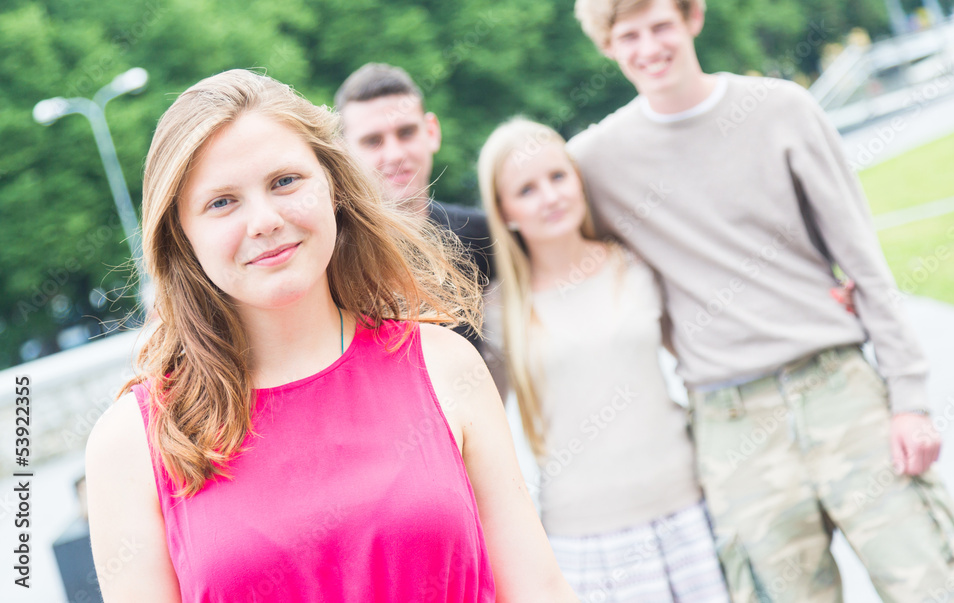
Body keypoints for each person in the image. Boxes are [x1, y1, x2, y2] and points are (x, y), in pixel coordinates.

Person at [566, 0, 954, 603]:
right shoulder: (595, 162)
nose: (649, 47)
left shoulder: (780, 111)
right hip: (731, 420)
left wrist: (910, 399)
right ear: (606, 46)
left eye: (660, 26)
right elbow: (532, 243)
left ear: (692, 16)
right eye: (628, 36)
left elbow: (863, 260)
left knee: (930, 582)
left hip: (838, 388)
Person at [84, 69, 576, 602]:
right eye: (222, 202)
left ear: (334, 188)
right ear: (181, 237)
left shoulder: (446, 365)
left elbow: (538, 589)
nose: (265, 220)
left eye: (284, 182)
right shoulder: (132, 444)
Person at [478, 117, 731, 603]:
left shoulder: (635, 264)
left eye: (557, 177)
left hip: (689, 508)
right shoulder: (500, 309)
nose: (550, 197)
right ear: (505, 210)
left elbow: (707, 349)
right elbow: (487, 436)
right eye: (527, 189)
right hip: (584, 537)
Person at [335, 63, 503, 396]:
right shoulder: (332, 259)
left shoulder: (481, 234)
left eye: (406, 132)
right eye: (372, 141)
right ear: (344, 153)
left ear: (432, 132)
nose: (395, 154)